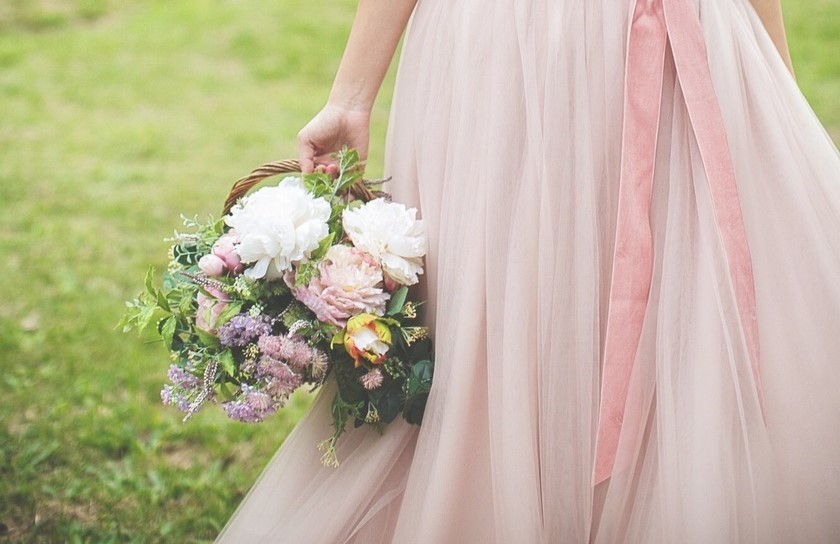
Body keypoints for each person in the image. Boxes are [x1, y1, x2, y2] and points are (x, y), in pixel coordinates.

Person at [217, 0, 840, 541]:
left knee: (684, 311)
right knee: (500, 309)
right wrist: (350, 94)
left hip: (676, 46)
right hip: (510, 57)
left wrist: (774, 88)